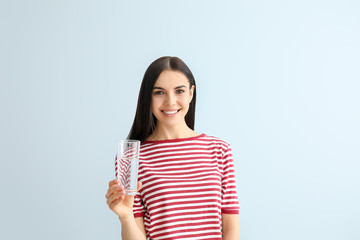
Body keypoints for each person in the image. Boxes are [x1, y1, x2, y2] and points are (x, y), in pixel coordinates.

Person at [105, 56, 240, 240]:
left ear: (191, 93)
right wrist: (125, 216)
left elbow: (231, 229)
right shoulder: (132, 158)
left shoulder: (219, 150)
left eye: (179, 91)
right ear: (148, 97)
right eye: (159, 92)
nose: (170, 101)